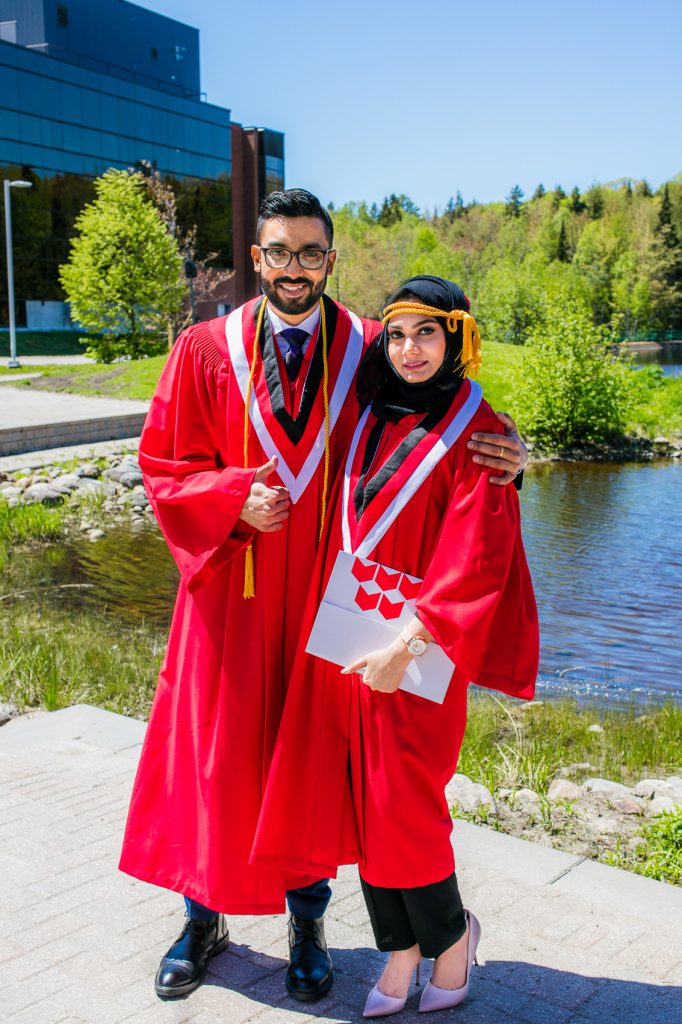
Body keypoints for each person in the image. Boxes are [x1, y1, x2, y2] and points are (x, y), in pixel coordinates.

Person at [118, 191, 529, 1003]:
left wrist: (515, 453)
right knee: (221, 751)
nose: (294, 268)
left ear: (330, 259)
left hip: (327, 602)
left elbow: (447, 410)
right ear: (257, 259)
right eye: (279, 253)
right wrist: (230, 497)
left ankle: (309, 924)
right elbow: (164, 464)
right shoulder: (205, 350)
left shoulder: (377, 346)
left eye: (311, 253)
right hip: (232, 593)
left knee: (308, 761)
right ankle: (203, 920)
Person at [252, 276, 539, 1017]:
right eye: (399, 334)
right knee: (366, 806)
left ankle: (449, 941)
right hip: (352, 638)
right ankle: (400, 949)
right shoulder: (367, 414)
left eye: (429, 334)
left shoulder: (482, 431)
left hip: (421, 651)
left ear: (459, 340)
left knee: (407, 806)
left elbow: (478, 559)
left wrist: (404, 648)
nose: (411, 350)